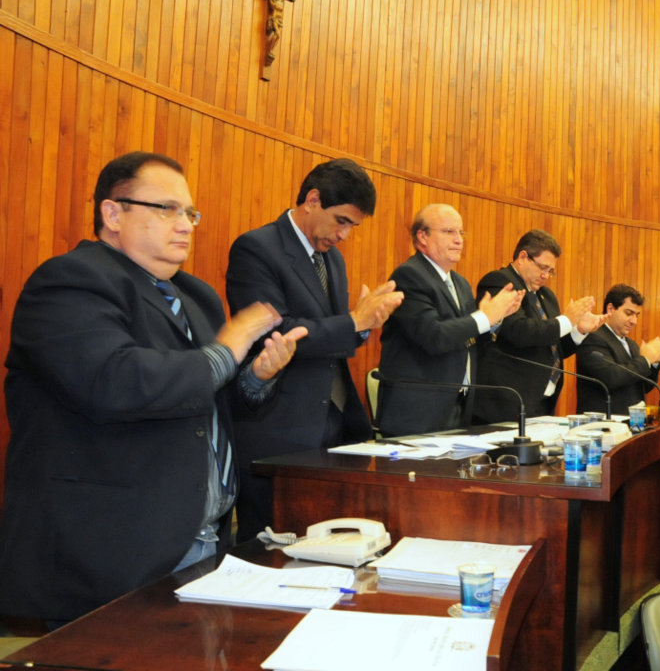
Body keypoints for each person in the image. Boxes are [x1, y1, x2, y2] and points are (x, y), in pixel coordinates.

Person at [0, 152, 305, 625]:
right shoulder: (69, 281)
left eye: (190, 212)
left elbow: (207, 401)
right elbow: (114, 382)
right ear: (112, 213)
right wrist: (226, 353)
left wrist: (255, 377)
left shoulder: (197, 296)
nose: (184, 224)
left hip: (202, 541)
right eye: (166, 209)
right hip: (109, 552)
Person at [225, 158, 404, 542]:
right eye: (341, 221)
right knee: (273, 550)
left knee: (332, 543)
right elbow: (273, 332)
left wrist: (363, 327)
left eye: (353, 227)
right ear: (312, 200)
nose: (344, 235)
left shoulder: (332, 259)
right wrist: (353, 322)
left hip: (335, 426)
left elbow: (332, 336)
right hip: (281, 430)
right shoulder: (256, 248)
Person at [376, 204, 523, 436]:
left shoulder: (460, 283)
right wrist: (485, 317)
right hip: (417, 411)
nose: (458, 240)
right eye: (448, 232)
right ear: (422, 236)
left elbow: (468, 336)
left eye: (461, 232)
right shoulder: (409, 275)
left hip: (458, 405)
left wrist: (496, 319)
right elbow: (434, 336)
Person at [472, 229, 603, 423]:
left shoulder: (547, 296)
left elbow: (553, 348)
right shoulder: (500, 282)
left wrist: (578, 330)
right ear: (523, 257)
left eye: (551, 271)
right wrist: (566, 321)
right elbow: (519, 331)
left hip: (540, 402)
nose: (545, 275)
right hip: (504, 402)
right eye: (542, 267)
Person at [576, 284, 660, 415]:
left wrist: (654, 362)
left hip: (632, 421)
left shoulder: (632, 345)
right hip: (603, 422)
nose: (634, 321)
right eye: (629, 313)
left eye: (637, 315)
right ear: (610, 309)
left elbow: (642, 387)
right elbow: (611, 378)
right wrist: (645, 359)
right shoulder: (592, 338)